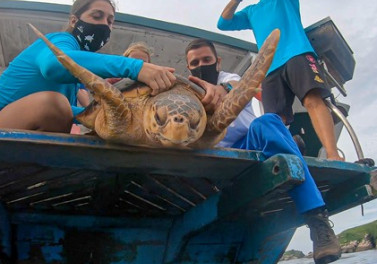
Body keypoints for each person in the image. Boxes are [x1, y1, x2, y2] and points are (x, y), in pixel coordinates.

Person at [185, 38, 341, 264]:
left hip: (248, 144)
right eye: (195, 62)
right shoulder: (186, 91)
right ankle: (288, 144)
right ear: (188, 67)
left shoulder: (230, 79)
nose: (202, 65)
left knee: (267, 121)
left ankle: (317, 220)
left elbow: (240, 87)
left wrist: (222, 90)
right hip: (214, 160)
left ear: (217, 62)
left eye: (207, 59)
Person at [0, 0, 175, 133]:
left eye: (110, 21)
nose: (104, 24)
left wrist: (100, 114)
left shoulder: (74, 78)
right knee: (54, 105)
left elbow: (69, 112)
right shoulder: (60, 39)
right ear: (74, 21)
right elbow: (54, 65)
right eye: (97, 16)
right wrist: (135, 67)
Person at [217, 0, 344, 162]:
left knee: (312, 100)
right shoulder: (251, 11)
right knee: (274, 119)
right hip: (269, 67)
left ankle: (333, 154)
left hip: (297, 54)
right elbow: (223, 23)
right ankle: (284, 158)